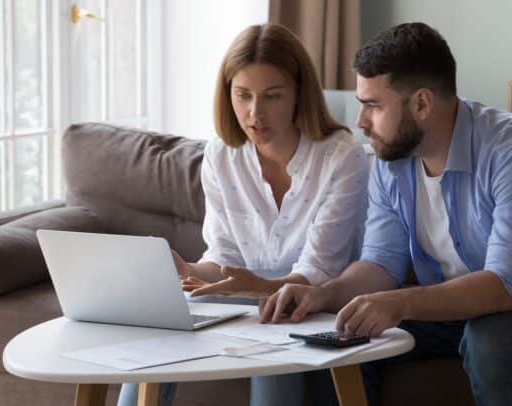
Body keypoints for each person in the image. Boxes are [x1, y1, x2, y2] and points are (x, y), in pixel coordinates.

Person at [259, 22, 512, 406]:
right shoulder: (391, 162)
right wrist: (323, 295)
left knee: (493, 339)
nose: (360, 121)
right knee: (340, 332)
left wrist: (401, 302)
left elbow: (504, 287)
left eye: (373, 105)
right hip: (455, 314)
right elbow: (381, 264)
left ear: (421, 103)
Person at [117, 23, 369, 406]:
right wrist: (184, 270)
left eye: (272, 96)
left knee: (270, 361)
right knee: (153, 342)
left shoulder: (342, 157)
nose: (255, 114)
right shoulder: (222, 155)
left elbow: (319, 271)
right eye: (242, 96)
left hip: (314, 307)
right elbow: (224, 261)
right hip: (245, 301)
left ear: (299, 93)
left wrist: (252, 287)